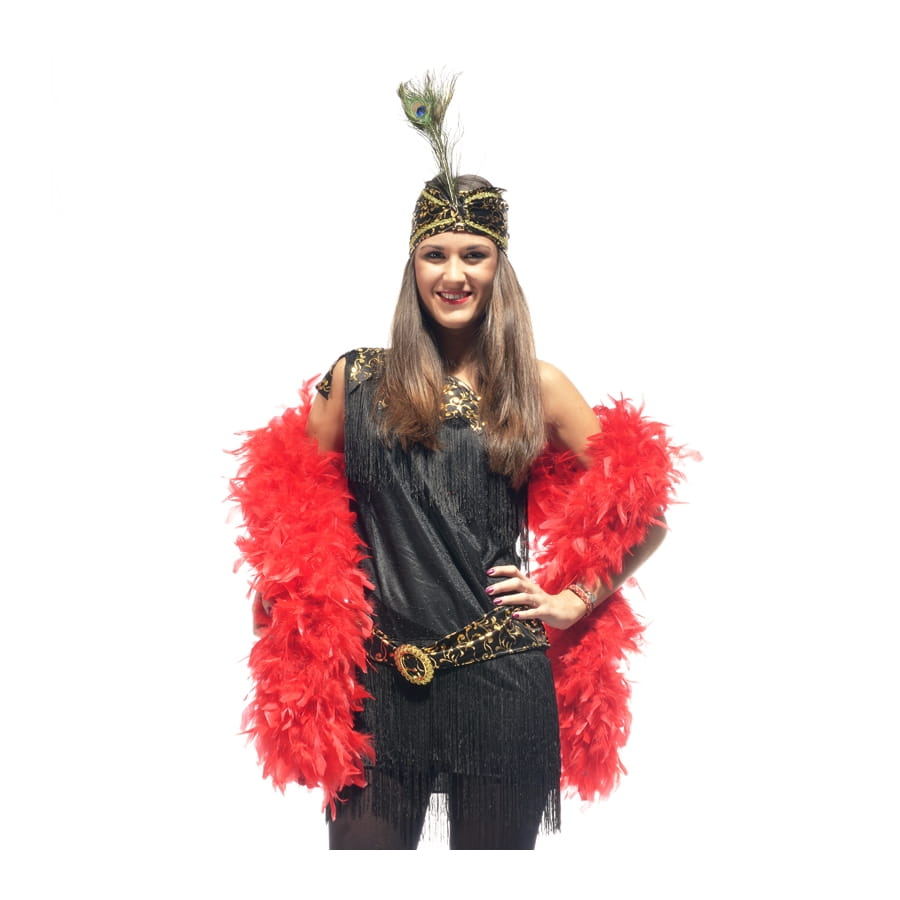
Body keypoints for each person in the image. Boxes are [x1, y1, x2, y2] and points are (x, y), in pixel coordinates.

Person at [230, 74, 684, 850]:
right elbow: (292, 503)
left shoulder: (537, 387)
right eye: (435, 255)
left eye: (475, 255)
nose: (454, 274)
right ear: (412, 266)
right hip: (380, 686)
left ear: (499, 267)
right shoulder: (355, 380)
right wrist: (286, 595)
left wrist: (575, 598)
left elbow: (645, 505)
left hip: (500, 683)